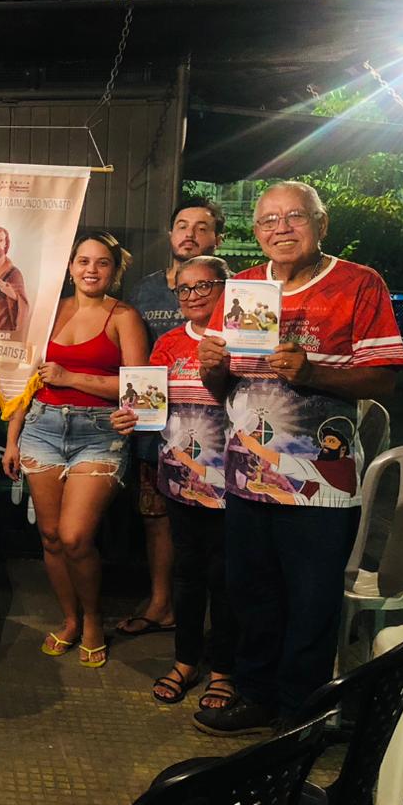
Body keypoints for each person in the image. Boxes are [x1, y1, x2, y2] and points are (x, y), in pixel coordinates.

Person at [194, 181, 403, 736]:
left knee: (311, 603)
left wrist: (312, 372)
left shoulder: (359, 283)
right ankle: (256, 697)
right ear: (256, 231)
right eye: (268, 220)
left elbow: (383, 379)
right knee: (252, 595)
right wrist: (211, 366)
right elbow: (220, 389)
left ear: (321, 223)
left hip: (321, 483)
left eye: (295, 217)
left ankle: (302, 715)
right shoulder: (241, 287)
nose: (280, 228)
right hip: (246, 476)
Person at [2, 231, 148, 668]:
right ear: (70, 267)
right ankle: (70, 620)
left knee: (75, 536)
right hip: (42, 427)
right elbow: (27, 379)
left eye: (102, 262)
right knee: (50, 537)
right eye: (83, 261)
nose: (91, 270)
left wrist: (72, 378)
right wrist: (11, 438)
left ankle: (94, 620)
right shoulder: (47, 312)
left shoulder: (124, 316)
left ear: (114, 270)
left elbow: (140, 386)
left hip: (98, 433)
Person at [112, 256, 238, 709]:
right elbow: (151, 406)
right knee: (187, 575)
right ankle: (186, 661)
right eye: (184, 289)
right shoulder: (167, 344)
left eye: (205, 285)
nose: (193, 295)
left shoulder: (244, 341)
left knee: (226, 578)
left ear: (226, 288)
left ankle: (223, 670)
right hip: (182, 481)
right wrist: (131, 417)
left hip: (238, 484)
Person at [119, 198, 225, 638]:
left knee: (220, 528)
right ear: (170, 234)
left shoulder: (234, 288)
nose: (190, 234)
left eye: (202, 227)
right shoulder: (144, 290)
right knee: (157, 516)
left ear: (217, 237)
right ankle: (163, 604)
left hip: (219, 429)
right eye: (182, 225)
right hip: (156, 425)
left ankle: (216, 624)